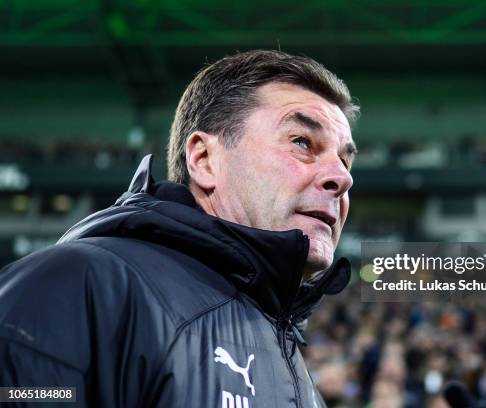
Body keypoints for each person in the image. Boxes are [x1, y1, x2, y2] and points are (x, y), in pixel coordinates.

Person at [0, 50, 359, 407]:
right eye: (302, 142)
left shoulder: (290, 360)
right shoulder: (80, 284)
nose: (342, 177)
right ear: (204, 160)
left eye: (344, 160)